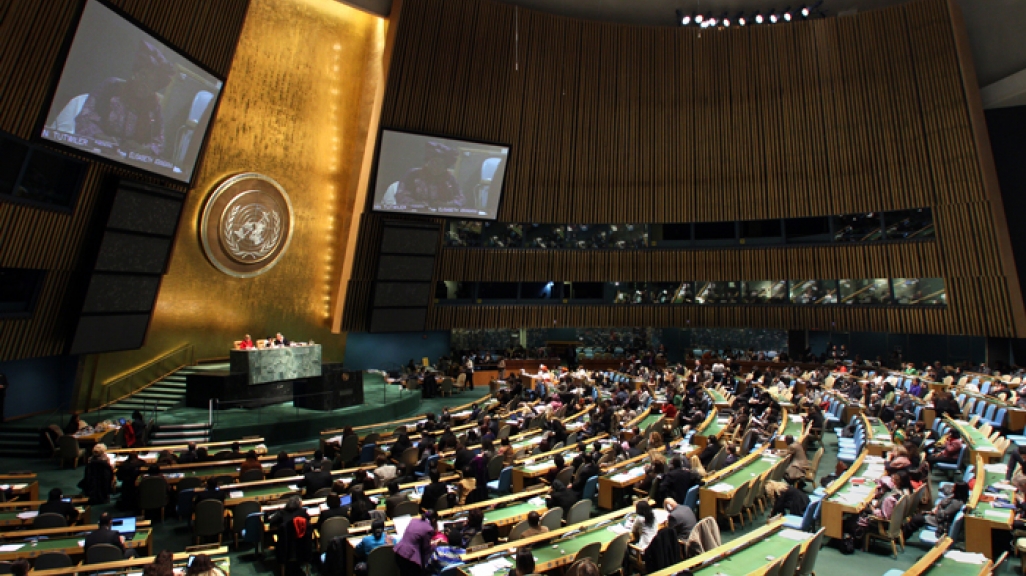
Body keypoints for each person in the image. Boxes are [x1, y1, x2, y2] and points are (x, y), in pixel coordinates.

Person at [903, 482, 968, 539]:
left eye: (954, 487)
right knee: (918, 516)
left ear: (958, 490)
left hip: (940, 521)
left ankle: (903, 536)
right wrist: (938, 506)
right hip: (938, 515)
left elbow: (944, 515)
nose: (952, 488)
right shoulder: (954, 496)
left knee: (917, 519)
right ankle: (903, 532)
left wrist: (937, 510)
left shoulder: (956, 503)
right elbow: (945, 490)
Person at [269, 496, 312, 576]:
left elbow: (271, 523)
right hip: (302, 545)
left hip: (285, 546)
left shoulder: (282, 513)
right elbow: (308, 521)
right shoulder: (302, 512)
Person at [394, 510, 437, 576]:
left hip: (399, 552)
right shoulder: (429, 529)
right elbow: (426, 549)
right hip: (410, 557)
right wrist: (434, 545)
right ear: (434, 520)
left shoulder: (413, 520)